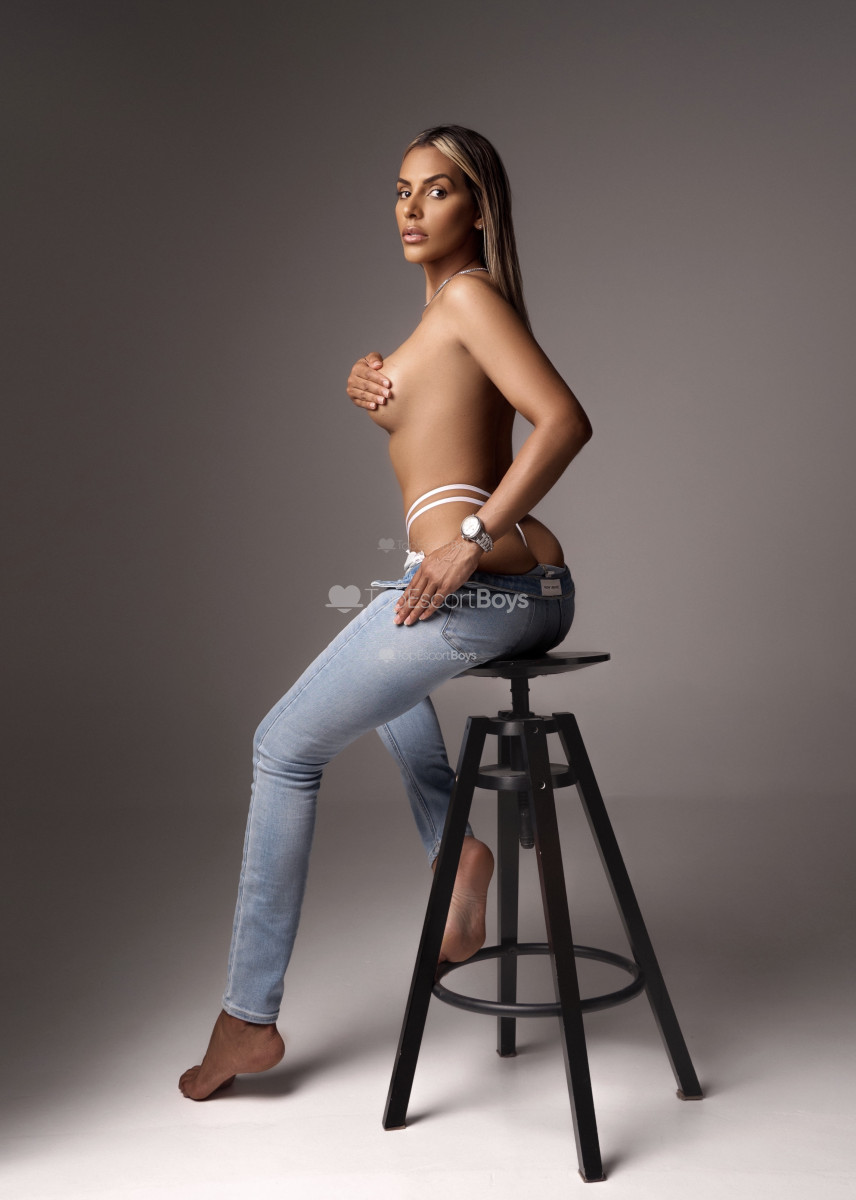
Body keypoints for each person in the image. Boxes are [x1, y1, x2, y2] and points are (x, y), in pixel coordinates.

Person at [179, 125, 592, 1100]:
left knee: (282, 748)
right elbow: (445, 424)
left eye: (438, 190)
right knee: (384, 617)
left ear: (478, 208)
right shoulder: (441, 317)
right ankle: (459, 855)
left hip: (492, 584)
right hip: (528, 594)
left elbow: (565, 421)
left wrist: (470, 538)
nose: (411, 207)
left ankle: (247, 1019)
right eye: (401, 190)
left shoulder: (470, 296)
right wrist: (375, 388)